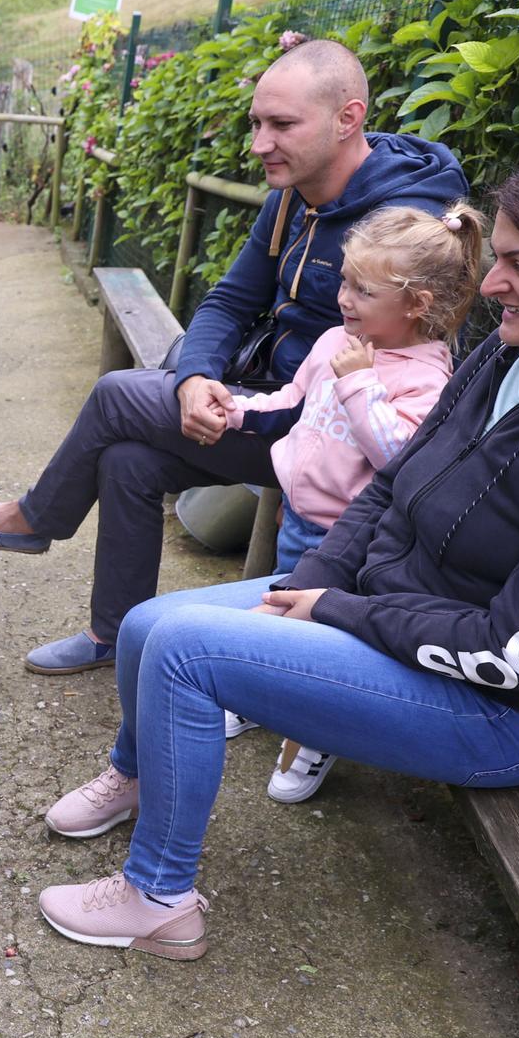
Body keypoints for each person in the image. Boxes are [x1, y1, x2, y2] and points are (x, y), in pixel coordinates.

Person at [32, 140, 519, 960]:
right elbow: (391, 485)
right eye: (497, 260)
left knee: (181, 652)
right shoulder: (510, 353)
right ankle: (145, 777)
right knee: (144, 623)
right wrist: (311, 581)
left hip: (504, 709)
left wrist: (337, 609)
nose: (491, 287)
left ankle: (159, 898)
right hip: (396, 618)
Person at [0, 39, 468, 674]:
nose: (260, 144)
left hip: (335, 431)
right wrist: (195, 379)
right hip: (268, 400)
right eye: (256, 123)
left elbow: (405, 358)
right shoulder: (290, 198)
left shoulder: (408, 221)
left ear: (348, 119)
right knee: (130, 460)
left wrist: (228, 394)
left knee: (118, 394)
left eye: (282, 125)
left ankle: (34, 517)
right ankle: (113, 636)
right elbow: (228, 302)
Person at [216, 201, 480, 803]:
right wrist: (235, 410)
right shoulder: (336, 338)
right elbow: (291, 399)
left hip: (354, 540)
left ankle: (317, 735)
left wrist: (361, 382)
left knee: (330, 640)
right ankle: (261, 694)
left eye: (363, 289)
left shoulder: (426, 376)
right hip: (298, 515)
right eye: (344, 280)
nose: (345, 298)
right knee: (280, 608)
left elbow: (398, 461)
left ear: (415, 304)